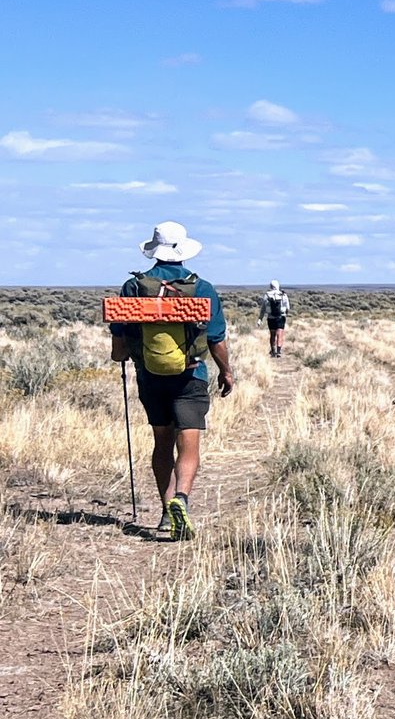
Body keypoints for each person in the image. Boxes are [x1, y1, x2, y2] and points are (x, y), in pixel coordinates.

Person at [108, 222, 234, 540]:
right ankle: (182, 499)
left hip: (151, 375)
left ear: (154, 250)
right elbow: (216, 338)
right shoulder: (201, 288)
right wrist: (226, 371)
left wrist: (120, 355)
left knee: (162, 442)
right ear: (183, 251)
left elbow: (120, 334)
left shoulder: (133, 288)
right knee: (188, 444)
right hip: (191, 375)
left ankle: (166, 513)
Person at [263, 280, 291, 357]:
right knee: (280, 334)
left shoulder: (267, 295)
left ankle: (273, 350)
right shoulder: (283, 295)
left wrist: (260, 318)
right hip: (281, 317)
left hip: (271, 317)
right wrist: (286, 314)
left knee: (272, 334)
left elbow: (263, 308)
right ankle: (278, 351)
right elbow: (287, 307)